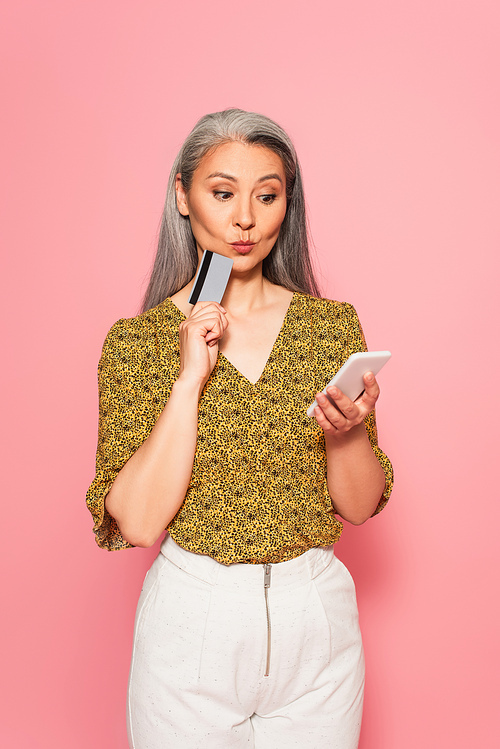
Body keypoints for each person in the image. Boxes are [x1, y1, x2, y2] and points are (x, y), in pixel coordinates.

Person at [86, 108, 393, 749]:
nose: (245, 219)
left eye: (268, 195)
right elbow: (138, 524)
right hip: (193, 621)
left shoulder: (331, 327)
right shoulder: (138, 343)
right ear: (182, 195)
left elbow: (359, 506)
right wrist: (188, 381)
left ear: (288, 204)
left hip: (316, 620)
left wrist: (347, 433)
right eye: (222, 193)